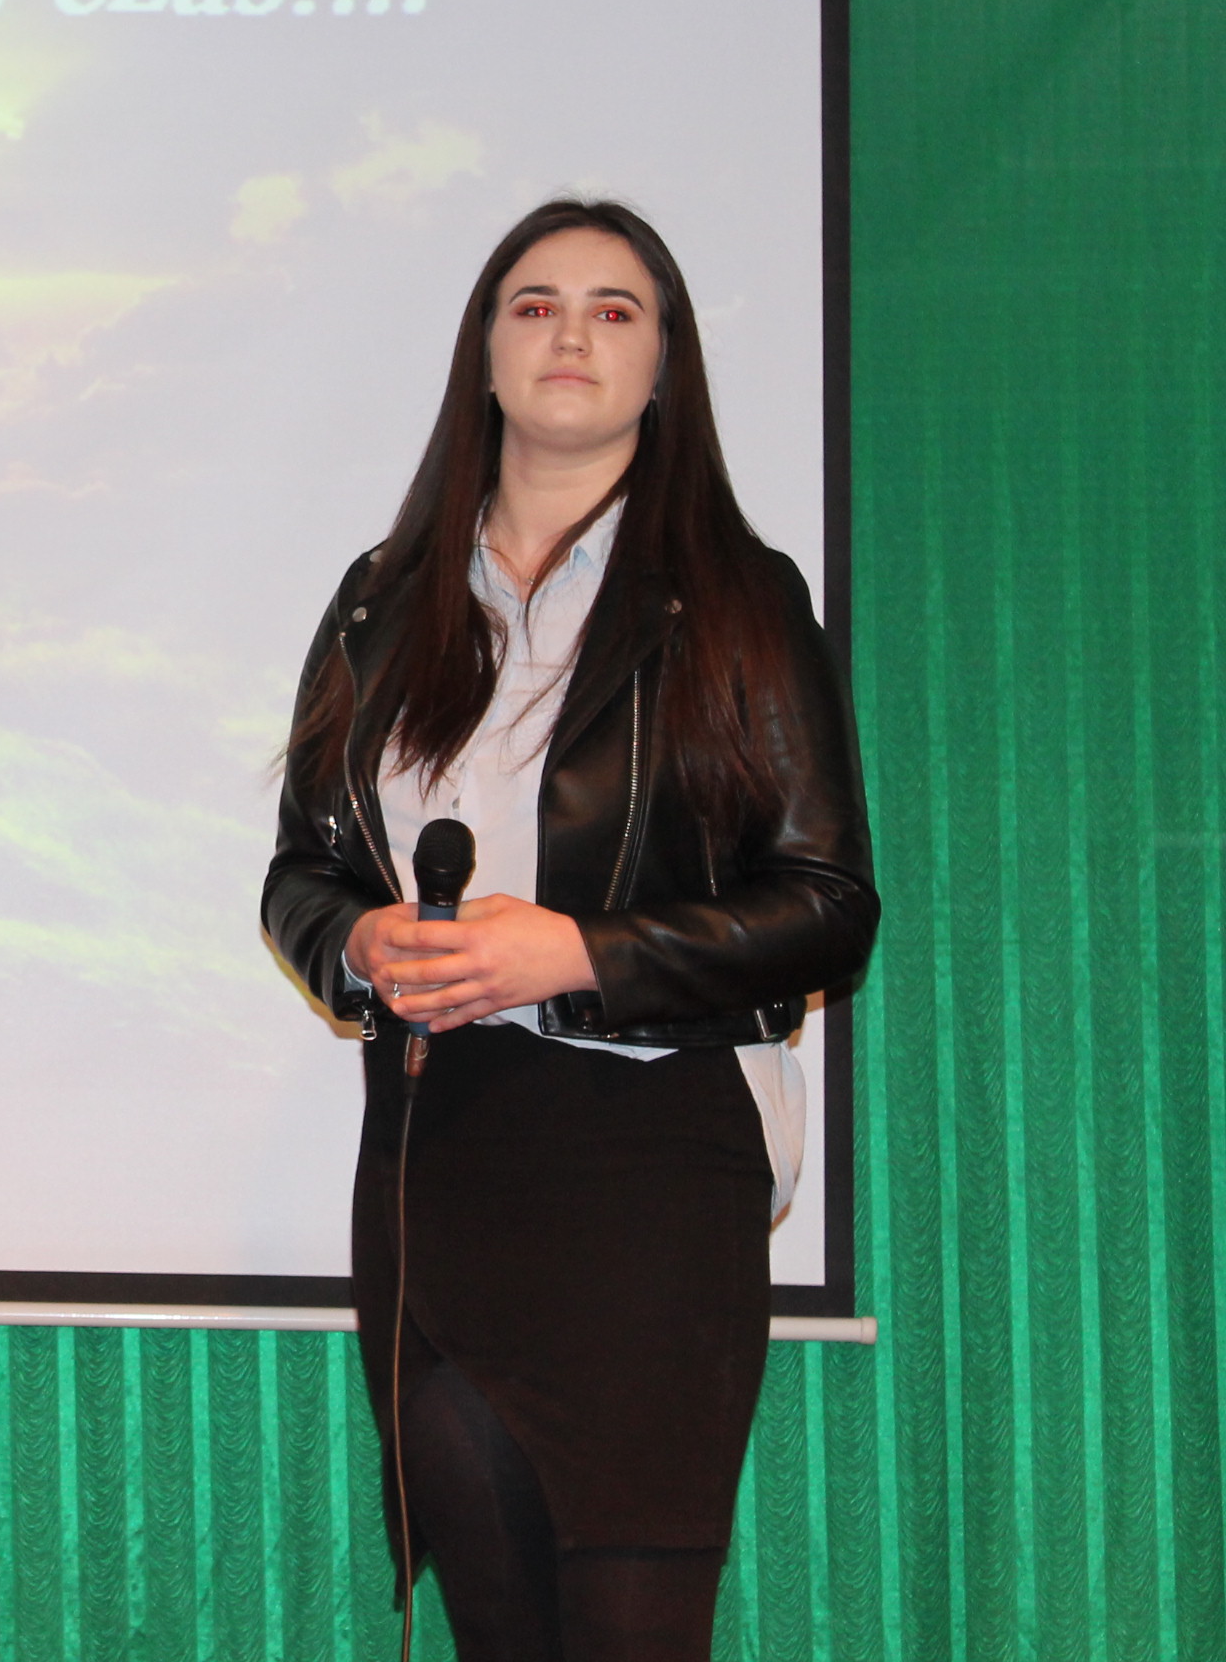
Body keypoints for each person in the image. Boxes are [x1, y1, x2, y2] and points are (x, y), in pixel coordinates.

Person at [262, 198, 876, 1662]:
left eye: (616, 310)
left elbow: (828, 910)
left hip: (650, 1162)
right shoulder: (380, 600)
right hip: (439, 1152)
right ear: (484, 353)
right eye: (534, 305)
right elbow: (301, 873)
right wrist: (360, 948)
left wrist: (580, 956)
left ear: (665, 367)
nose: (571, 336)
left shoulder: (740, 599)